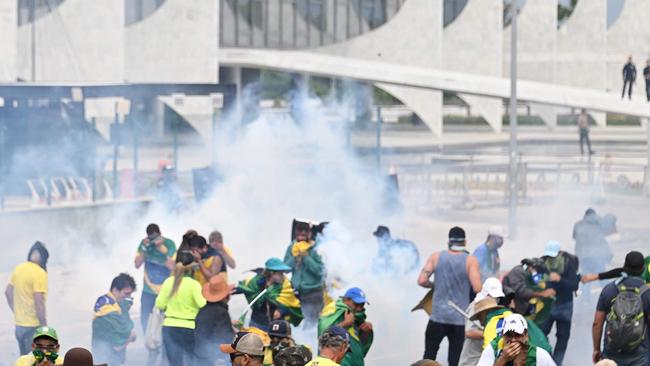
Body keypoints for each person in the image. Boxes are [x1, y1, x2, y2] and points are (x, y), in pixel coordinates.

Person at [417, 226, 482, 366]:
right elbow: (477, 287)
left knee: (429, 356)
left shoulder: (436, 257)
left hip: (437, 317)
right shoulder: (470, 261)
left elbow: (421, 280)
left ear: (449, 242)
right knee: (455, 360)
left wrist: (434, 285)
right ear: (465, 242)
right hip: (458, 319)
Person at [592, 251, 650, 366]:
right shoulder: (647, 293)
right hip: (639, 353)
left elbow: (597, 323)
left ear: (624, 267)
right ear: (643, 269)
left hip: (612, 352)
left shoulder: (609, 289)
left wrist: (597, 349)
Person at [155, 250, 206, 366]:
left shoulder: (168, 282)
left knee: (174, 363)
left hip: (169, 328)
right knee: (190, 361)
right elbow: (202, 304)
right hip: (188, 328)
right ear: (192, 267)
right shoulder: (194, 284)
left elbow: (160, 304)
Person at [5, 242, 50, 355]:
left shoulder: (19, 268)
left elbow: (8, 292)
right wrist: (44, 325)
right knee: (35, 360)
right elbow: (38, 301)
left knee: (24, 359)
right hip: (33, 327)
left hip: (19, 326)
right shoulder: (39, 273)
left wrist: (16, 311)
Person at [539, 241, 579, 366]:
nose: (551, 259)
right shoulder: (542, 263)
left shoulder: (568, 264)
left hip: (565, 305)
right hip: (548, 306)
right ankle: (547, 359)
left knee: (563, 337)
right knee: (540, 333)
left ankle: (557, 363)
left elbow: (574, 285)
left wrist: (560, 279)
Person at [237, 258, 303, 331]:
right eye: (280, 273)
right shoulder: (256, 283)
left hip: (276, 326)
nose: (282, 276)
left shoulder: (286, 285)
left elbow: (294, 304)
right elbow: (246, 288)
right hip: (257, 322)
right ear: (272, 273)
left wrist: (282, 311)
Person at [134, 223, 176, 332]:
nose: (153, 240)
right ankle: (147, 340)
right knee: (145, 317)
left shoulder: (169, 244)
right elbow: (137, 264)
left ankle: (164, 342)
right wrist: (144, 248)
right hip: (148, 289)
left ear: (160, 234)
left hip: (165, 289)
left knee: (166, 318)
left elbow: (171, 265)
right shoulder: (145, 244)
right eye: (150, 237)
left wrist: (160, 248)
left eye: (155, 237)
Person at [284, 220, 325, 329]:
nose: (301, 234)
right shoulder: (292, 248)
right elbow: (285, 268)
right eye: (299, 231)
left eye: (305, 231)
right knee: (294, 322)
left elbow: (319, 271)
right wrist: (295, 257)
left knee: (311, 324)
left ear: (309, 233)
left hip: (313, 293)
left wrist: (306, 257)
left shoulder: (317, 248)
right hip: (296, 292)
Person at [318, 288, 373, 366]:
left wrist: (367, 332)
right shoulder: (333, 310)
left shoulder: (358, 319)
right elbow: (323, 336)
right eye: (356, 304)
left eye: (362, 305)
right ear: (346, 299)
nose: (359, 308)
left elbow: (360, 346)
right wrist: (345, 323)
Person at [91, 273, 137, 366]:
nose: (128, 298)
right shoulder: (107, 308)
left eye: (130, 294)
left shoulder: (115, 303)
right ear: (115, 290)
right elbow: (118, 343)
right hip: (107, 354)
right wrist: (130, 336)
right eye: (126, 293)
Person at [459, 277, 506, 366]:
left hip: (484, 358)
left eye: (497, 297)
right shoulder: (476, 306)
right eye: (492, 296)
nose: (495, 299)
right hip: (471, 360)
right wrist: (490, 333)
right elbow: (469, 332)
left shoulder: (494, 309)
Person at [477, 313, 556, 366]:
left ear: (525, 335)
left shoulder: (538, 355)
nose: (513, 340)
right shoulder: (493, 349)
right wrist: (503, 359)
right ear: (503, 335)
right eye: (509, 335)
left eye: (518, 335)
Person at [194, 274, 235, 366]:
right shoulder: (221, 312)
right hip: (214, 359)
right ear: (226, 295)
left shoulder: (202, 309)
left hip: (199, 355)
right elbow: (223, 337)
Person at [502, 258, 556, 326]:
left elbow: (534, 287)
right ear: (531, 267)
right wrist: (542, 294)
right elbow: (521, 292)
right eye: (538, 271)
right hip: (513, 311)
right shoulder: (518, 271)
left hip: (523, 311)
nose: (539, 275)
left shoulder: (528, 275)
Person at [573, 209, 616, 292]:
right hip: (597, 256)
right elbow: (607, 232)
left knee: (585, 277)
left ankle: (585, 299)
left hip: (583, 256)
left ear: (585, 215)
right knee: (602, 276)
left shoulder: (578, 224)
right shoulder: (599, 223)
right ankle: (610, 294)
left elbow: (575, 237)